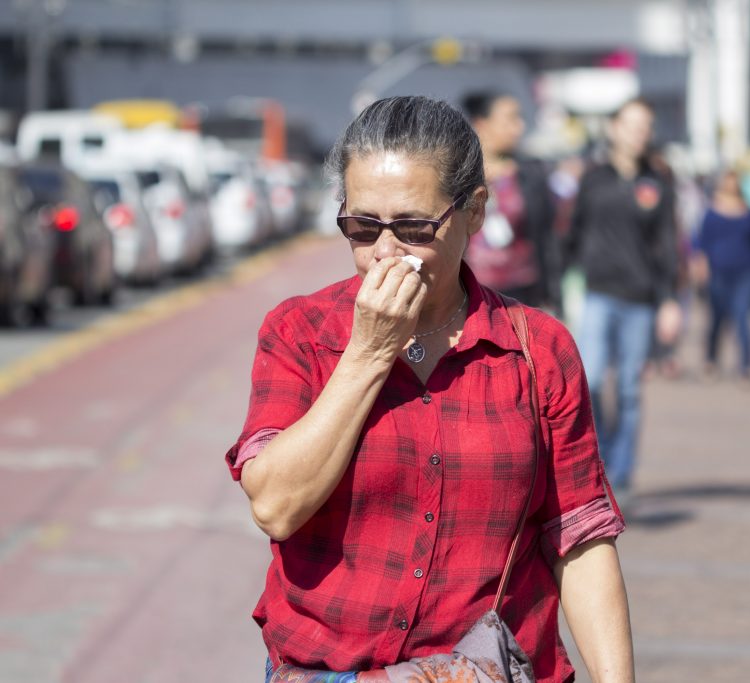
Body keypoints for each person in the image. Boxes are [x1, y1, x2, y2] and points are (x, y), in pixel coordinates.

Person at [224, 96, 633, 683]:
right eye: (362, 227)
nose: (387, 253)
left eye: (414, 227)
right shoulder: (301, 333)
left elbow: (579, 536)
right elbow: (277, 507)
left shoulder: (538, 349)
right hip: (331, 668)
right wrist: (369, 352)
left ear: (474, 213)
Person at [563, 97, 680, 497]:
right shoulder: (593, 177)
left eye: (645, 126)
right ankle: (601, 460)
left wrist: (668, 300)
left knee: (629, 387)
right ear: (613, 128)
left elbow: (667, 244)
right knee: (591, 380)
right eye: (631, 124)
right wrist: (565, 280)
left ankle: (623, 472)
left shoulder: (659, 181)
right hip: (597, 293)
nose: (638, 133)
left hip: (640, 299)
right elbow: (573, 233)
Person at [461, 91, 560, 311]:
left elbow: (547, 238)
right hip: (472, 293)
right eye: (510, 119)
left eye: (519, 119)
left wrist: (553, 295)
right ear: (481, 123)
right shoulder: (459, 175)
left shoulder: (531, 173)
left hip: (522, 292)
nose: (519, 127)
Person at [691, 169, 750, 382]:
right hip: (719, 271)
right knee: (717, 318)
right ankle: (711, 359)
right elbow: (701, 241)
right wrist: (700, 263)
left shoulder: (749, 211)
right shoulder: (711, 211)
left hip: (748, 271)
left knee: (743, 316)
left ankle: (746, 366)